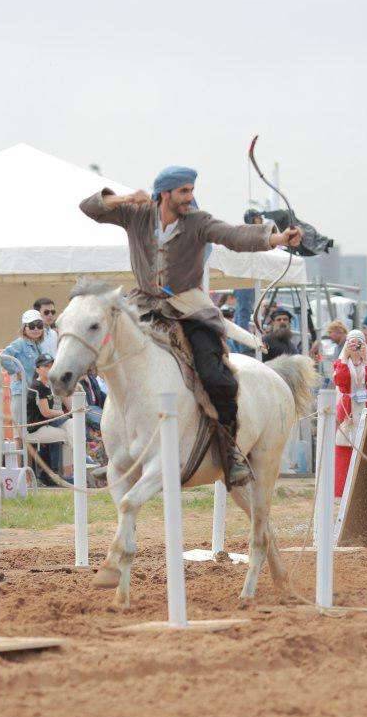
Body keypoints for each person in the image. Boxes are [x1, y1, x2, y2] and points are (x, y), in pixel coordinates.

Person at [80, 165, 301, 486]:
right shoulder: (137, 214)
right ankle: (118, 452)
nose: (190, 197)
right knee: (105, 353)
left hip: (190, 312)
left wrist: (276, 237)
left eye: (191, 190)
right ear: (164, 193)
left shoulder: (197, 222)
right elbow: (89, 208)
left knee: (217, 377)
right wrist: (125, 198)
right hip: (142, 308)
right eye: (184, 191)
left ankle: (231, 453)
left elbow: (233, 235)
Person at [332, 330, 367, 497]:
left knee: (365, 444)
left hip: (364, 405)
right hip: (347, 406)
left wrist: (366, 359)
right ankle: (341, 488)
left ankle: (364, 488)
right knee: (344, 442)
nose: (355, 346)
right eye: (352, 343)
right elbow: (340, 381)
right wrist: (345, 358)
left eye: (358, 342)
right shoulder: (340, 363)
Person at [26, 354, 76, 484]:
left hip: (50, 424)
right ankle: (77, 465)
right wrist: (62, 413)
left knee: (72, 425)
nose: (50, 368)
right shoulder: (37, 386)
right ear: (37, 369)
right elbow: (46, 412)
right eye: (46, 366)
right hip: (35, 428)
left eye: (52, 365)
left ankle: (68, 474)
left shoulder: (51, 384)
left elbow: (71, 406)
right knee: (68, 435)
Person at [3, 309, 47, 402]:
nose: (36, 329)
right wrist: (17, 371)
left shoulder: (39, 346)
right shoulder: (20, 343)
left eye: (39, 325)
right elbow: (2, 357)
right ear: (24, 328)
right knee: (20, 417)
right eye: (31, 326)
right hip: (21, 391)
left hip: (35, 392)